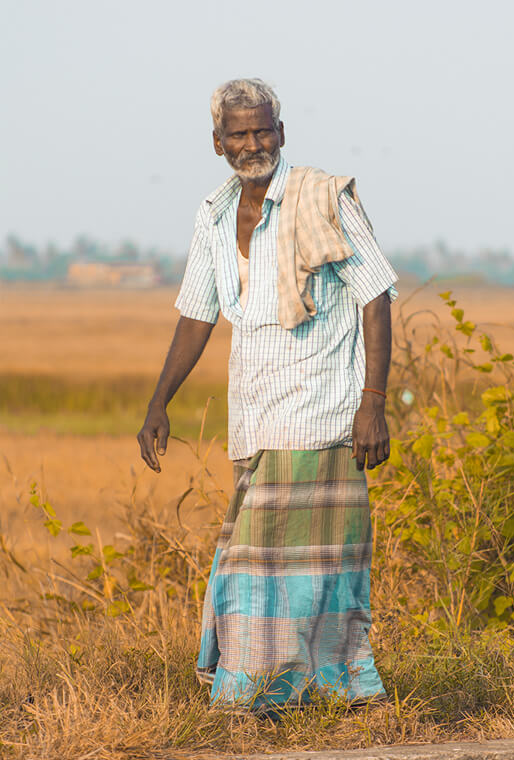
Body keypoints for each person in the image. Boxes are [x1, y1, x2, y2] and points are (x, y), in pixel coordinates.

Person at [136, 78, 398, 712]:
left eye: (263, 130)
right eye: (240, 133)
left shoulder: (323, 197)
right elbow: (197, 314)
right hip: (254, 418)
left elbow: (376, 294)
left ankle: (257, 696)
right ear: (219, 142)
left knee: (270, 570)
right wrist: (158, 401)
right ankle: (316, 697)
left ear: (282, 133)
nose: (253, 142)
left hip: (320, 414)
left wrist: (373, 401)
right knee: (278, 570)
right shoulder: (215, 213)